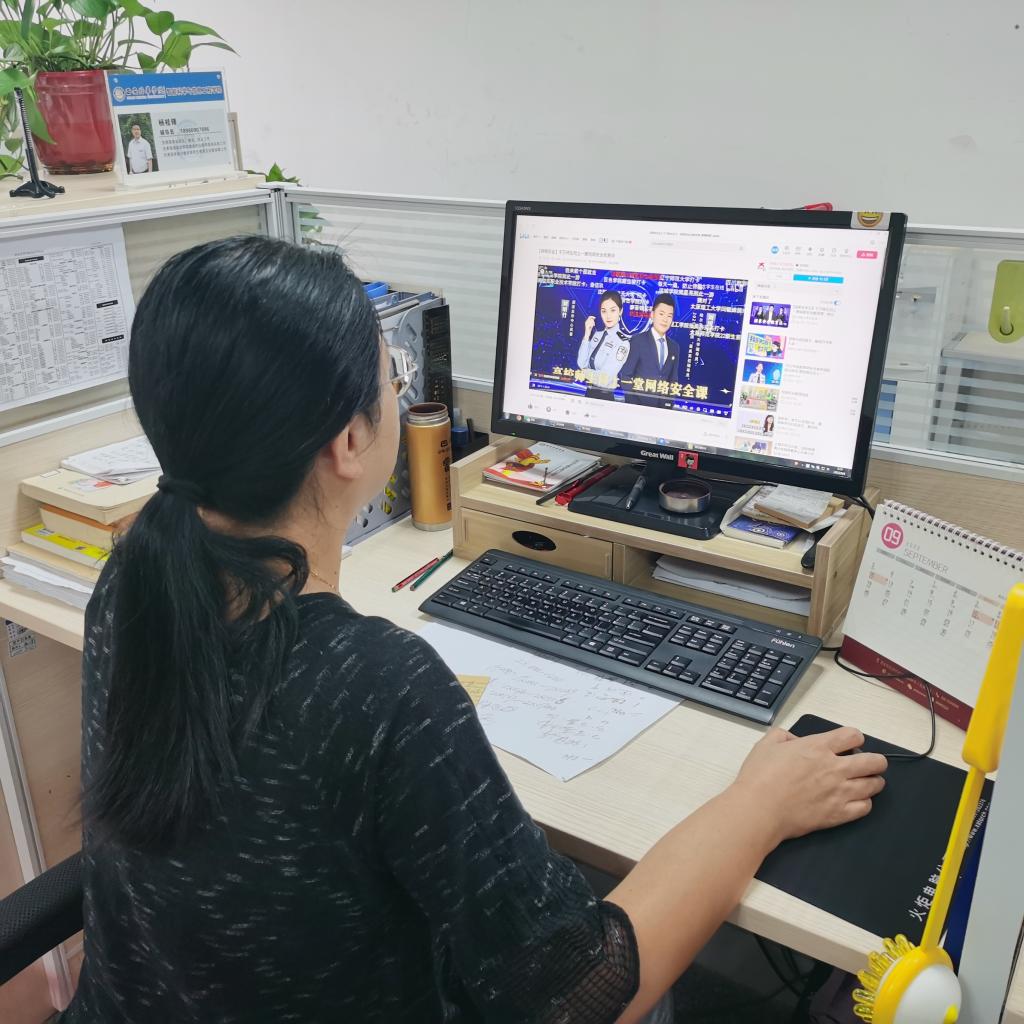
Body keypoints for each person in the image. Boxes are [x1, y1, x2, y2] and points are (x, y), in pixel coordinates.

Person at [60, 236, 887, 1024]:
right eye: (391, 378)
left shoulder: (132, 582)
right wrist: (759, 805)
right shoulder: (374, 682)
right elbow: (585, 994)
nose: (398, 393)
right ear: (350, 439)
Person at [619, 293, 681, 390]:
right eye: (661, 314)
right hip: (638, 399)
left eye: (669, 316)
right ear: (652, 315)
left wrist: (669, 399)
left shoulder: (674, 347)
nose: (665, 319)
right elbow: (626, 377)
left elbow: (673, 380)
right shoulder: (637, 341)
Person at [577, 289, 631, 389]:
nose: (608, 316)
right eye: (604, 311)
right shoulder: (597, 335)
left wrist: (584, 372)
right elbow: (581, 363)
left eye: (613, 310)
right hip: (588, 391)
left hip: (604, 394)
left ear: (620, 311)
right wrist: (587, 333)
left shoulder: (623, 343)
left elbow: (604, 379)